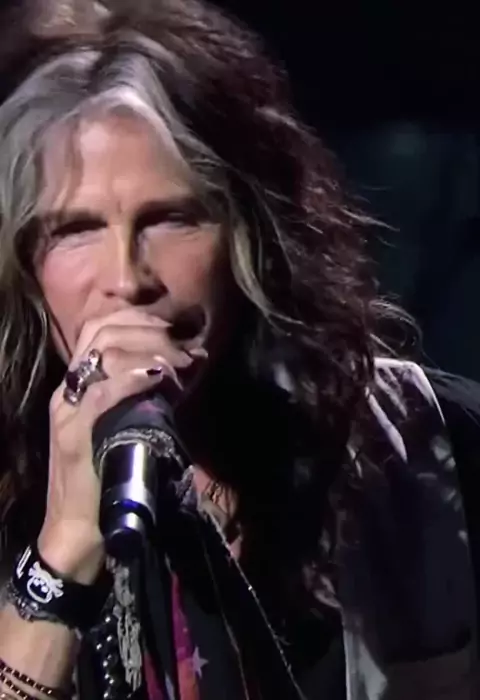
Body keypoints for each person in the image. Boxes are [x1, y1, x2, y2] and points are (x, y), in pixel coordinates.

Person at [0, 1, 477, 698]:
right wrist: (66, 545)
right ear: (26, 264)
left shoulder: (425, 449)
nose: (128, 280)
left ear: (251, 234)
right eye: (76, 229)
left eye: (172, 218)